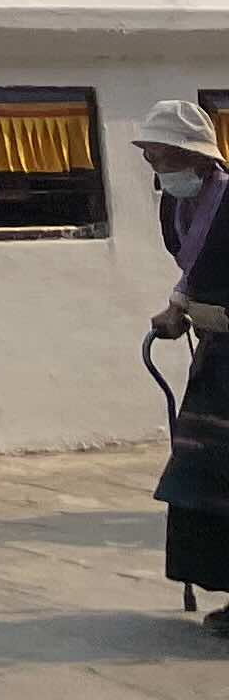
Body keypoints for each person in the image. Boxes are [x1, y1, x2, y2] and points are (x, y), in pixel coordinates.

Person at [140, 98, 229, 628]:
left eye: (161, 154)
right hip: (218, 361)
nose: (154, 165)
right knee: (204, 477)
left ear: (193, 156)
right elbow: (192, 271)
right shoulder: (175, 209)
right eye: (149, 156)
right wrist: (179, 307)